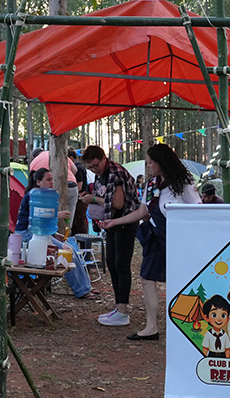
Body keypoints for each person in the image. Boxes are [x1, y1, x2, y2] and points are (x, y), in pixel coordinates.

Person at [100, 143, 200, 340]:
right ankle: (151, 327)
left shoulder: (183, 182)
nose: (148, 166)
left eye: (151, 162)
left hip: (178, 239)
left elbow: (197, 208)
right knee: (147, 279)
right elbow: (142, 211)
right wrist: (115, 221)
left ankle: (189, 324)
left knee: (182, 281)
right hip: (155, 238)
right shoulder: (151, 184)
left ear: (162, 162)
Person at [80, 145, 140, 327]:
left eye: (96, 165)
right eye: (90, 167)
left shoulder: (115, 173)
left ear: (104, 158)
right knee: (112, 263)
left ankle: (123, 310)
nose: (94, 169)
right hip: (112, 223)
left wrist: (93, 199)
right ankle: (118, 307)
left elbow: (118, 203)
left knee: (121, 264)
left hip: (125, 222)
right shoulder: (101, 174)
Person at [17, 168, 92, 299]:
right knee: (67, 253)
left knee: (70, 250)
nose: (51, 182)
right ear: (38, 182)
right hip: (27, 235)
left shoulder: (46, 195)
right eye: (48, 180)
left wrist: (53, 233)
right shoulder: (33, 195)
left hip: (40, 235)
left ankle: (85, 287)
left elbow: (42, 225)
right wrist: (57, 215)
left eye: (52, 179)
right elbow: (36, 219)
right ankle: (82, 290)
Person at [30, 149, 79, 229]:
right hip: (72, 186)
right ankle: (67, 233)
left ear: (33, 157)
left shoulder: (34, 162)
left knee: (53, 217)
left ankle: (56, 234)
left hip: (55, 189)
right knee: (68, 218)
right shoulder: (56, 152)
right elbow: (75, 170)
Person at [68, 150, 90, 235]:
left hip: (81, 198)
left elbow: (79, 186)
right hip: (80, 197)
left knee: (79, 220)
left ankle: (83, 239)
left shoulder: (78, 169)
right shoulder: (79, 167)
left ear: (70, 158)